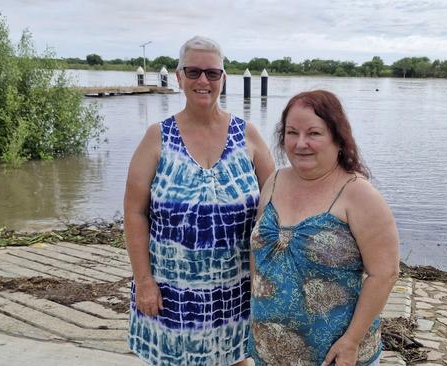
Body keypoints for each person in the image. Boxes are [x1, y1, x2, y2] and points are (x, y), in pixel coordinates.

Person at [124, 35, 274, 365]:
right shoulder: (157, 137)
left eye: (212, 73)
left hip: (237, 288)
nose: (203, 81)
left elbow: (278, 204)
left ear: (224, 77)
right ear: (178, 77)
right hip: (171, 290)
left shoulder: (247, 135)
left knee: (238, 359)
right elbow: (135, 212)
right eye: (193, 72)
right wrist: (145, 281)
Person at [249, 90, 400, 366]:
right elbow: (259, 254)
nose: (300, 143)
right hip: (269, 351)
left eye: (314, 133)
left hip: (333, 356)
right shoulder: (274, 181)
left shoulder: (358, 195)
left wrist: (351, 341)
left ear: (338, 138)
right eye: (292, 132)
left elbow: (385, 273)